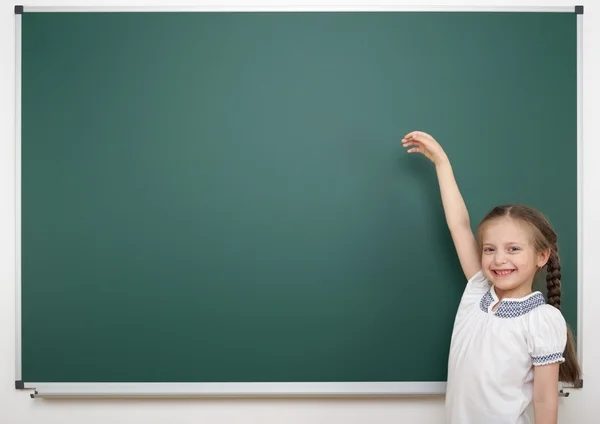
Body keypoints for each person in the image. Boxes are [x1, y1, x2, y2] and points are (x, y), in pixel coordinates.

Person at [401, 131, 580, 424]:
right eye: (490, 249)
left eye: (513, 249)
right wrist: (442, 163)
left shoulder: (542, 319)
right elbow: (459, 225)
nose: (499, 259)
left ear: (541, 256)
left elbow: (545, 399)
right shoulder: (478, 292)